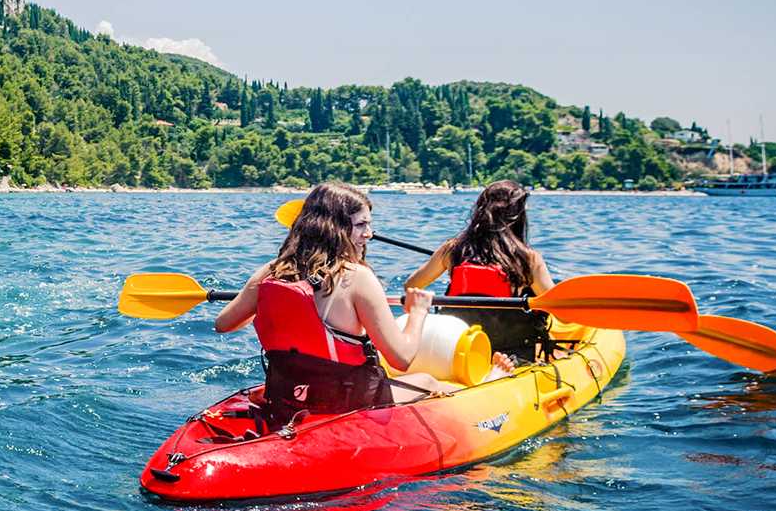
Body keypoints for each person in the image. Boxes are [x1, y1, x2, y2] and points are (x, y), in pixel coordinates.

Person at [213, 182, 454, 421]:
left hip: (287, 395)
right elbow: (401, 359)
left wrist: (277, 305)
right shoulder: (358, 278)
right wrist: (418, 311)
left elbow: (224, 324)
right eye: (361, 225)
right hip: (349, 403)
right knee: (429, 382)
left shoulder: (270, 272)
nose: (369, 234)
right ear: (334, 228)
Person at [405, 179, 554, 297]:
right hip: (508, 333)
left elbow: (411, 286)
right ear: (518, 217)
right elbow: (557, 306)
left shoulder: (452, 249)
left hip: (461, 332)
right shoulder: (528, 257)